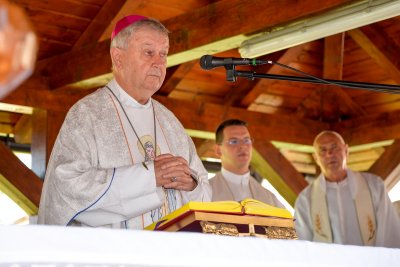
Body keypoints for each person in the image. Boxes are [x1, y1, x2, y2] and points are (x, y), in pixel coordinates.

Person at [37, 15, 211, 229]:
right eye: (149, 52)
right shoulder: (88, 114)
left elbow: (204, 190)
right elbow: (67, 188)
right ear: (118, 57)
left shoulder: (169, 122)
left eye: (163, 54)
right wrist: (148, 177)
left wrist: (191, 185)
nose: (159, 62)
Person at [294, 130, 400, 248]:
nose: (329, 154)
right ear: (315, 158)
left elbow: (389, 232)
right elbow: (302, 243)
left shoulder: (374, 186)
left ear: (346, 151)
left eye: (335, 147)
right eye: (323, 150)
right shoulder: (306, 199)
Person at [209, 119, 284, 208]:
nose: (243, 146)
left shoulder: (269, 199)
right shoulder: (205, 192)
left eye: (246, 140)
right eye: (234, 141)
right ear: (218, 150)